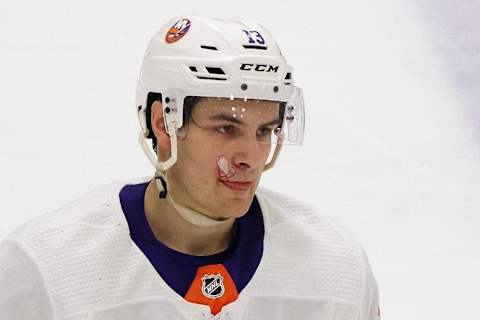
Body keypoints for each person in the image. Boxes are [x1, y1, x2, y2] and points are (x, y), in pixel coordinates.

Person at [0, 15, 380, 319]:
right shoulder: (45, 268)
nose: (251, 156)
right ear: (164, 123)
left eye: (265, 130)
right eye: (226, 128)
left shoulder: (335, 264)